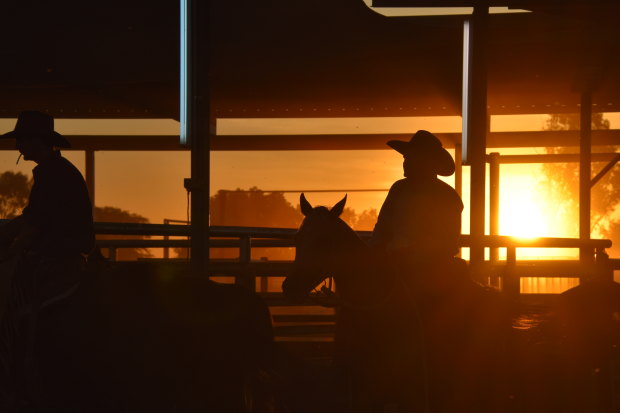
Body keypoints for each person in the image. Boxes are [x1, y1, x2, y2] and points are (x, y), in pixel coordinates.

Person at [0, 111, 95, 406]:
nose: (19, 148)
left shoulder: (51, 173)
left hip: (57, 256)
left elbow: (34, 224)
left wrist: (12, 249)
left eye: (23, 141)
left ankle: (14, 368)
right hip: (67, 251)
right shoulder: (59, 169)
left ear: (35, 141)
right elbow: (33, 219)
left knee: (8, 301)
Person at [370, 130, 464, 293]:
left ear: (426, 162)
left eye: (411, 158)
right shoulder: (399, 188)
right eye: (406, 158)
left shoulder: (446, 196)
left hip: (431, 269)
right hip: (396, 262)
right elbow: (382, 227)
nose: (405, 163)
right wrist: (377, 252)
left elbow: (447, 241)